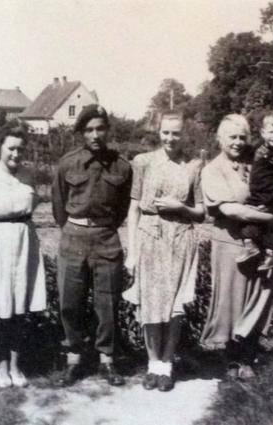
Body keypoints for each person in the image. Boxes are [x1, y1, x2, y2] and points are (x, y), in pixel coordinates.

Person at [122, 113, 205, 392]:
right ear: (158, 132)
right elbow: (133, 209)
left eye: (176, 133)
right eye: (166, 132)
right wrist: (131, 252)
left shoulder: (194, 165)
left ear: (185, 134)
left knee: (173, 308)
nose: (171, 138)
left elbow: (201, 212)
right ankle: (152, 363)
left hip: (181, 237)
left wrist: (180, 208)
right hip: (149, 236)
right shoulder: (143, 162)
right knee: (150, 303)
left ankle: (167, 364)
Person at [52, 104, 132, 387]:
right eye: (89, 130)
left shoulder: (122, 166)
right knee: (70, 302)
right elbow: (59, 206)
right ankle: (73, 359)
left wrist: (102, 228)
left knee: (107, 302)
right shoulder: (67, 163)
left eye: (100, 128)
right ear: (81, 133)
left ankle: (107, 361)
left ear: (107, 130)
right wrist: (75, 228)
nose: (95, 135)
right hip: (73, 236)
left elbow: (122, 208)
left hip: (106, 238)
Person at [199, 114, 273, 380]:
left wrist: (267, 211)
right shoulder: (212, 170)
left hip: (262, 242)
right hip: (229, 244)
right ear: (220, 139)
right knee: (232, 300)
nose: (238, 142)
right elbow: (230, 210)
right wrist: (267, 216)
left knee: (258, 295)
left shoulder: (256, 164)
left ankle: (249, 357)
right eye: (232, 136)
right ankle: (232, 359)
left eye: (242, 137)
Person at [0, 126, 47, 388]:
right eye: (10, 148)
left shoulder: (28, 175)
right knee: (2, 309)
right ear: (0, 148)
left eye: (20, 149)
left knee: (19, 310)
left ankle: (16, 366)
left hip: (25, 243)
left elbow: (32, 205)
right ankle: (1, 367)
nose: (16, 153)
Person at [236, 112, 273, 270]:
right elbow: (245, 156)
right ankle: (255, 247)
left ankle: (271, 253)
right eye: (271, 132)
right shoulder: (259, 148)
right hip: (256, 194)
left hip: (268, 196)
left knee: (263, 220)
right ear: (263, 133)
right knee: (254, 221)